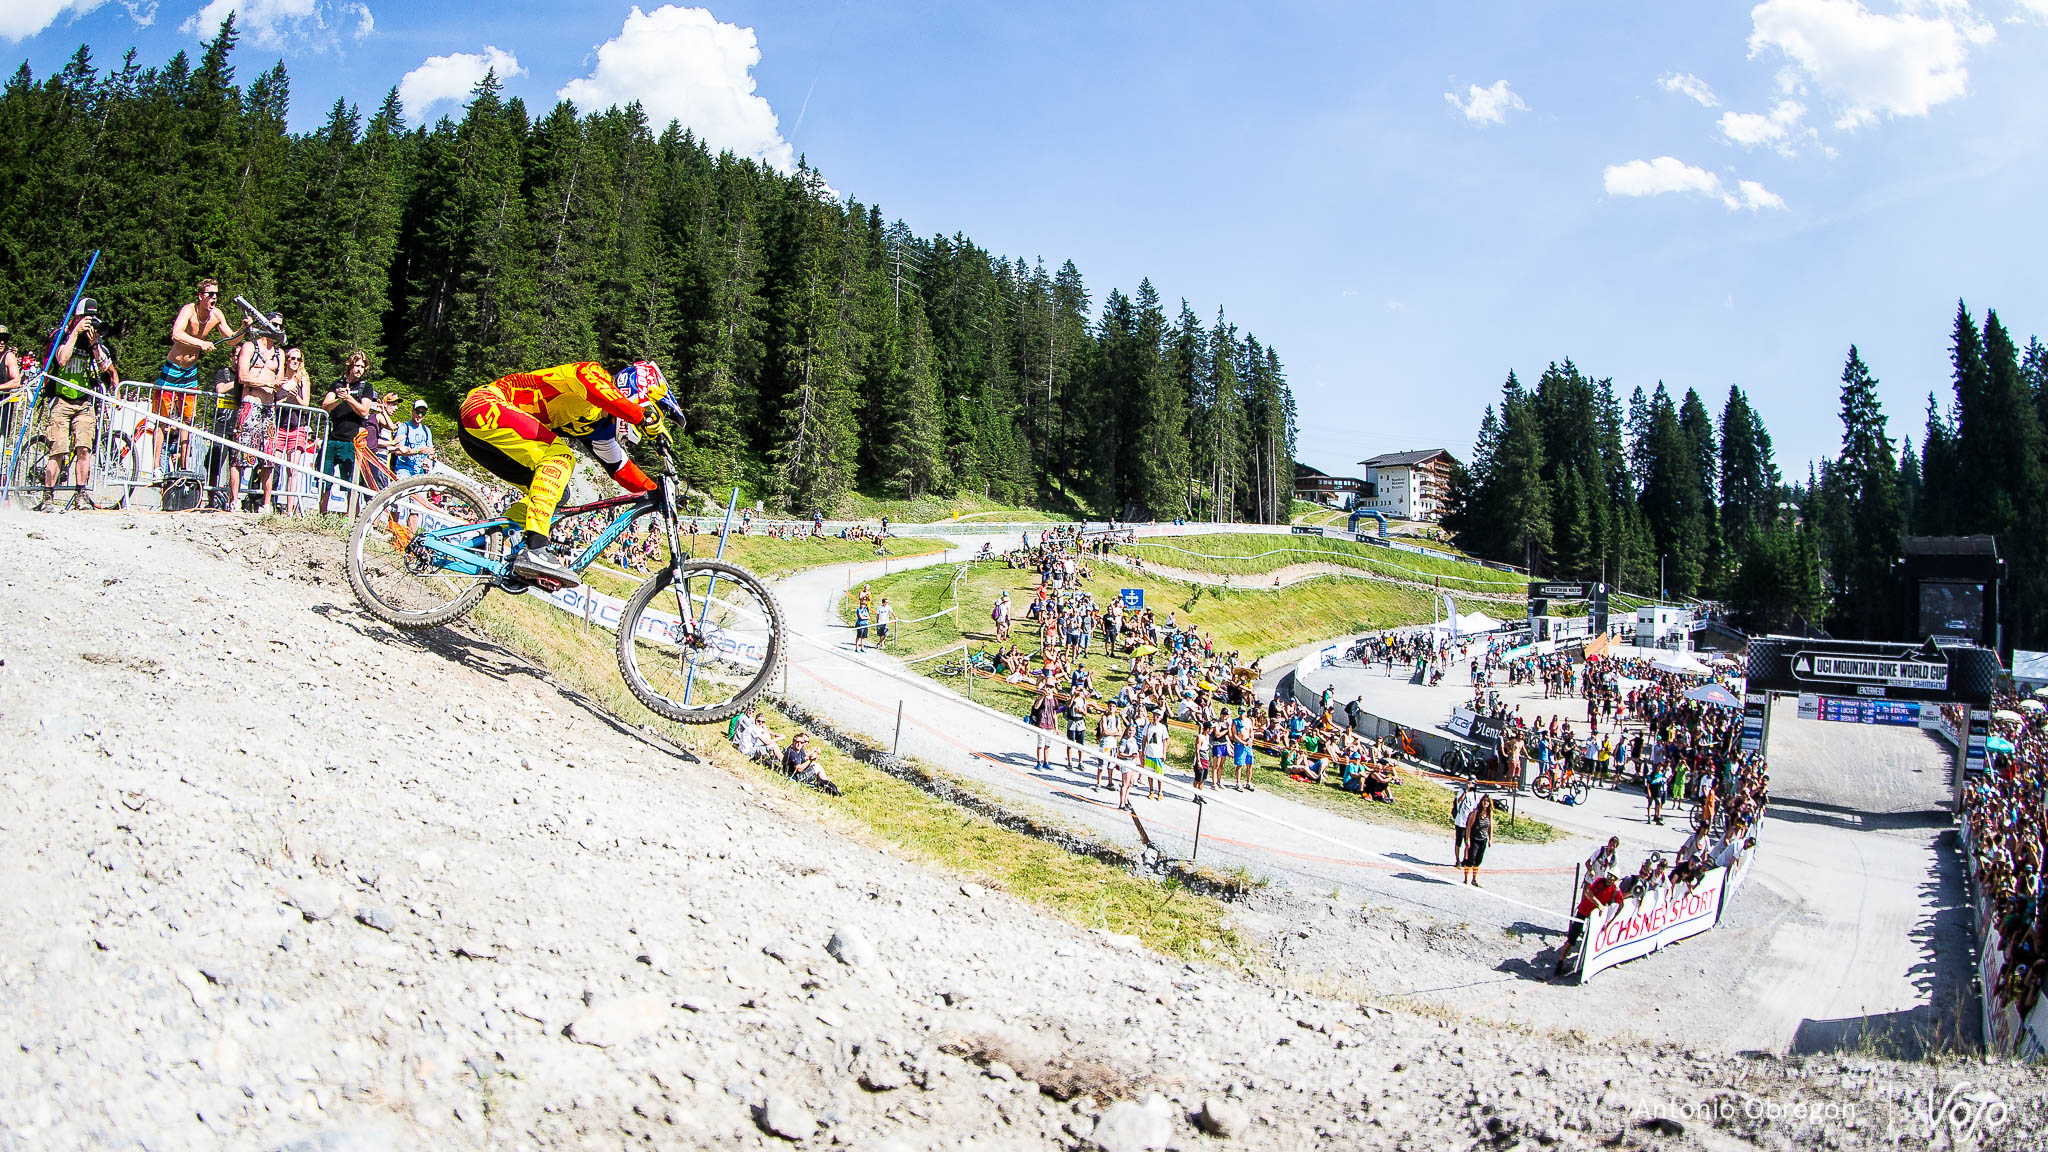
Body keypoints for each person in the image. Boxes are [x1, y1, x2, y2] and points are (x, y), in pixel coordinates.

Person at [456, 361, 668, 587]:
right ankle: (536, 549)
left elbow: (619, 467)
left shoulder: (598, 427)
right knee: (559, 456)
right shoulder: (595, 375)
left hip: (486, 436)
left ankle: (484, 544)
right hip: (486, 405)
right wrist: (641, 416)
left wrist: (658, 492)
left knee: (556, 494)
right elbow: (594, 388)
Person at [44, 300, 120, 502]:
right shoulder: (62, 335)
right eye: (85, 319)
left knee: (84, 449)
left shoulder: (92, 341)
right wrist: (75, 333)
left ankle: (80, 493)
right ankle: (48, 496)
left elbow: (105, 368)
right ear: (76, 317)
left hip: (84, 402)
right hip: (61, 400)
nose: (89, 324)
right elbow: (61, 359)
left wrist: (95, 344)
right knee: (58, 449)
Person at [227, 310, 285, 511]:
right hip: (251, 403)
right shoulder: (250, 347)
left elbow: (279, 379)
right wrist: (265, 383)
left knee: (269, 456)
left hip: (269, 407)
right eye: (274, 324)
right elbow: (242, 376)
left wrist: (278, 385)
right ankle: (235, 499)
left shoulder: (279, 353)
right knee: (241, 453)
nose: (277, 329)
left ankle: (266, 503)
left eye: (280, 325)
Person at [320, 351, 375, 515]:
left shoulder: (366, 387)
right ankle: (321, 513)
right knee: (325, 479)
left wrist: (349, 398)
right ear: (350, 366)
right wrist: (339, 398)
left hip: (351, 441)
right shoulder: (337, 384)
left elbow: (364, 410)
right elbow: (325, 405)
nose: (359, 369)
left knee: (351, 482)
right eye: (356, 366)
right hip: (333, 437)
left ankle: (351, 517)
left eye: (362, 367)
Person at [778, 731, 840, 796]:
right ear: (793, 742)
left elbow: (804, 759)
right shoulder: (792, 752)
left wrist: (813, 756)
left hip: (797, 774)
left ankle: (828, 786)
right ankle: (829, 787)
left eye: (801, 742)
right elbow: (799, 769)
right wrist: (810, 760)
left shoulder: (799, 750)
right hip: (795, 777)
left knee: (816, 765)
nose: (799, 744)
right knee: (817, 768)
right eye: (797, 742)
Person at [392, 399, 435, 477]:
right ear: (413, 411)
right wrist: (417, 451)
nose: (420, 415)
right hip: (404, 471)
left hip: (420, 472)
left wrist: (431, 456)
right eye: (418, 412)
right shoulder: (404, 428)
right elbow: (397, 452)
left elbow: (430, 450)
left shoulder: (427, 430)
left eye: (423, 413)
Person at [1462, 795, 1495, 886]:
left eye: (1487, 802)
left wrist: (1490, 839)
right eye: (1484, 801)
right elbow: (1469, 826)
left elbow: (1490, 827)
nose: (1486, 803)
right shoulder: (1476, 813)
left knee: (1478, 860)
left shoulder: (1489, 814)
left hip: (1483, 839)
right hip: (1474, 838)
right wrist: (1468, 839)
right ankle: (1466, 878)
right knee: (1471, 859)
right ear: (1481, 802)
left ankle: (1474, 879)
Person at [1141, 709, 1169, 802]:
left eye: (1157, 716)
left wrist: (1164, 753)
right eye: (1154, 715)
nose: (1155, 717)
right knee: (1150, 774)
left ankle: (1160, 791)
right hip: (1149, 753)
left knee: (1159, 775)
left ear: (1160, 717)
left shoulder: (1162, 728)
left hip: (1158, 754)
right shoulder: (1148, 726)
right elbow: (1144, 739)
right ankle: (1151, 790)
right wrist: (1143, 751)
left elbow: (1165, 740)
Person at [1030, 686, 1061, 772]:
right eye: (1048, 687)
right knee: (1040, 744)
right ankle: (1039, 762)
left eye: (1051, 687)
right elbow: (1036, 707)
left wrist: (1056, 727)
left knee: (1048, 744)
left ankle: (1046, 762)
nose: (1049, 689)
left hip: (1050, 724)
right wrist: (1043, 696)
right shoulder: (1041, 698)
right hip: (1042, 723)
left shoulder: (1055, 699)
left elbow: (1055, 714)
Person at [1451, 776, 1480, 867]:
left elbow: (1477, 808)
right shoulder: (1462, 791)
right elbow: (1458, 802)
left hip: (1470, 822)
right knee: (1458, 841)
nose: (1469, 784)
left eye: (1471, 783)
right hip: (1461, 821)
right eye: (1468, 782)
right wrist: (1465, 793)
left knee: (1468, 842)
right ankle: (1457, 860)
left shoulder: (1476, 795)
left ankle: (1465, 859)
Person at [0, 324, 20, 441]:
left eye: (4, 339)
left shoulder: (8, 356)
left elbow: (16, 381)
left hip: (3, 405)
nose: (1, 342)